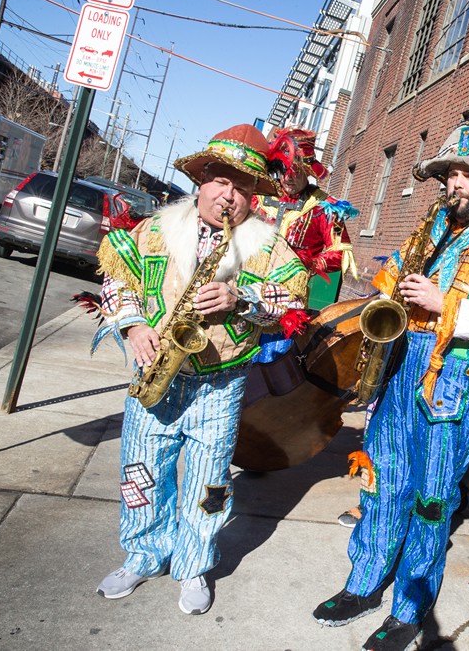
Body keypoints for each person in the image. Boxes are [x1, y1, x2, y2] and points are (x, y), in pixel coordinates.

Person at [313, 121, 469, 651]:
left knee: (431, 498)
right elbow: (388, 285)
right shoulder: (430, 227)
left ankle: (410, 608)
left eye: (467, 175)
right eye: (449, 174)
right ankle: (364, 582)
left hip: (453, 381)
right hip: (399, 365)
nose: (454, 184)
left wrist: (447, 305)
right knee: (383, 481)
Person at [90, 124, 309, 616]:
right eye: (220, 181)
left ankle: (193, 564)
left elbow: (294, 302)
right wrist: (132, 328)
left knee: (210, 483)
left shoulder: (269, 247)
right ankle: (144, 554)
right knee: (141, 474)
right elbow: (114, 281)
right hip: (157, 372)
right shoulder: (154, 231)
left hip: (222, 381)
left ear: (254, 195)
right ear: (201, 178)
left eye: (242, 187)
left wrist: (243, 299)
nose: (228, 195)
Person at [250, 126, 358, 364]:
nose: (289, 176)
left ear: (308, 171)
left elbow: (340, 253)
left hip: (286, 306)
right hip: (244, 295)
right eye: (283, 169)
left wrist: (308, 264)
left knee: (270, 373)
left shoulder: (325, 208)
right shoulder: (257, 196)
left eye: (296, 171)